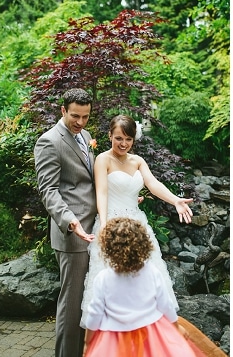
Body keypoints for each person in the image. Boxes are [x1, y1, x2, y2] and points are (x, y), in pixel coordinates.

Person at [80, 114, 194, 330]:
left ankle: (147, 330)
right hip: (112, 225)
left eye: (128, 139)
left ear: (134, 139)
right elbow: (102, 193)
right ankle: (116, 329)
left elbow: (153, 184)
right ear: (110, 136)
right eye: (119, 138)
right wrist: (105, 224)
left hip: (137, 226)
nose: (123, 144)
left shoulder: (138, 161)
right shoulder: (103, 159)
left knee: (148, 275)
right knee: (112, 278)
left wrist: (175, 200)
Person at [83, 217, 205, 356]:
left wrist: (88, 342)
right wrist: (176, 328)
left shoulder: (103, 278)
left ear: (108, 248)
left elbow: (95, 314)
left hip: (115, 338)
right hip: (152, 335)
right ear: (143, 245)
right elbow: (166, 305)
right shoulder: (152, 272)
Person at [34, 88, 96, 357]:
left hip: (94, 231)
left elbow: (88, 181)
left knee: (87, 302)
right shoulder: (49, 141)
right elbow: (48, 191)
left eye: (85, 117)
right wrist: (70, 222)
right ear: (62, 111)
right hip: (73, 235)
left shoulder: (86, 136)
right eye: (75, 116)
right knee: (71, 308)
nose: (80, 122)